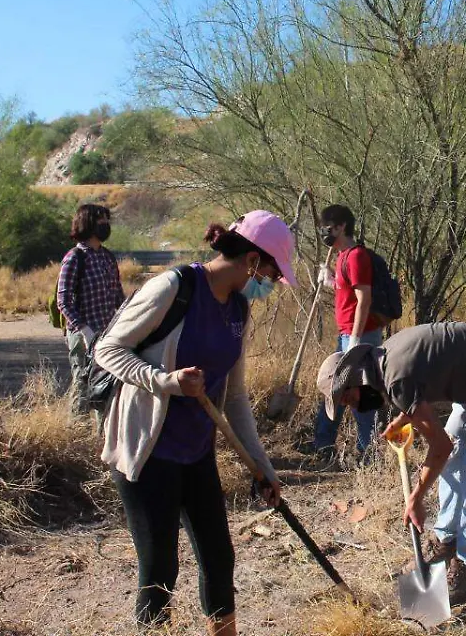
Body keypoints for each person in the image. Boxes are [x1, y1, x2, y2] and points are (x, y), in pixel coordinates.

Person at [94, 210, 298, 635]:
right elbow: (108, 349)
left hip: (196, 451)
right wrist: (165, 381)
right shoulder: (175, 287)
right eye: (273, 273)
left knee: (219, 559)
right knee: (160, 568)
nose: (272, 284)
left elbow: (236, 399)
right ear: (253, 261)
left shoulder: (240, 310)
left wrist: (262, 467)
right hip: (147, 451)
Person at [315, 322, 466, 601]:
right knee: (456, 462)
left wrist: (416, 497)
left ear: (355, 381)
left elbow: (440, 446)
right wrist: (403, 417)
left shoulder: (395, 378)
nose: (351, 406)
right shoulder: (382, 361)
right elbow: (421, 382)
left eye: (347, 399)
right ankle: (445, 540)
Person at [308, 204, 385, 466]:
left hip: (360, 337)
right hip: (347, 334)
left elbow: (364, 299)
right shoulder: (342, 256)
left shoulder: (356, 256)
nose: (323, 232)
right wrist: (329, 281)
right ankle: (323, 445)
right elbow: (348, 293)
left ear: (341, 226)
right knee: (336, 391)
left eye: (327, 227)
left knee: (360, 395)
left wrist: (355, 338)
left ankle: (369, 455)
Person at [56, 203, 124, 417]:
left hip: (106, 334)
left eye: (107, 220)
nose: (106, 224)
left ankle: (99, 437)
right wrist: (85, 330)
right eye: (101, 220)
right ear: (88, 223)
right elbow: (63, 301)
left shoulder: (107, 257)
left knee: (104, 388)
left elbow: (118, 298)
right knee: (82, 385)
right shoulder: (75, 257)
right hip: (83, 335)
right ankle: (74, 436)